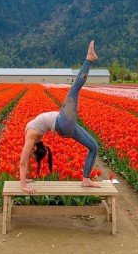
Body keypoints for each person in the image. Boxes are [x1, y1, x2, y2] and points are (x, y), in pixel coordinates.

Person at [19, 40, 99, 193]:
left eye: (33, 157)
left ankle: (86, 179)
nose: (30, 156)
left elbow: (25, 162)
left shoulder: (31, 136)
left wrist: (25, 180)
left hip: (65, 125)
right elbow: (23, 163)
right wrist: (23, 186)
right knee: (74, 89)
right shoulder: (31, 136)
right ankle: (88, 59)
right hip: (62, 124)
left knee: (94, 146)